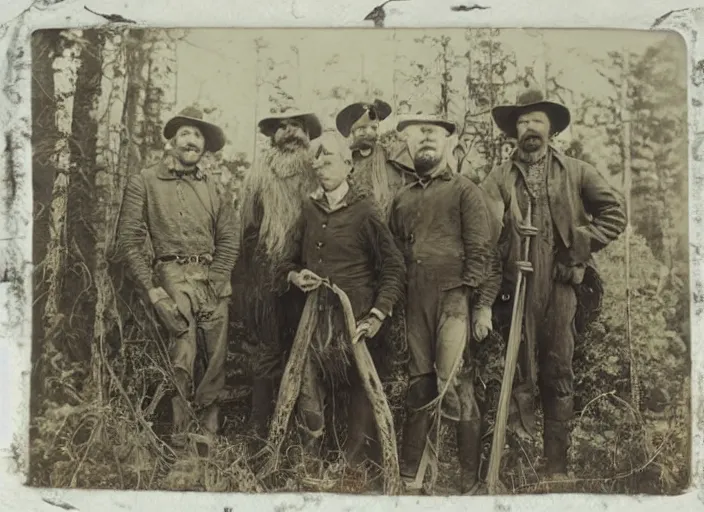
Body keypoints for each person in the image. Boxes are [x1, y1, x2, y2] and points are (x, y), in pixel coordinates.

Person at [481, 88, 627, 478]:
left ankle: (557, 468)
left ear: (551, 129)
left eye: (537, 121)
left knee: (557, 369)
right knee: (518, 370)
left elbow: (614, 214)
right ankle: (520, 465)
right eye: (523, 122)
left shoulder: (577, 171)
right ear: (514, 131)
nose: (529, 128)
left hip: (562, 287)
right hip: (517, 288)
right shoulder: (498, 177)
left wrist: (576, 248)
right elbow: (480, 231)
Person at [282, 130, 406, 470]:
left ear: (348, 164)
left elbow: (394, 266)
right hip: (314, 321)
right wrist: (295, 275)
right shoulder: (308, 208)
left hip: (356, 322)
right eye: (316, 160)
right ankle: (309, 464)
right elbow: (287, 260)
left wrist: (379, 314)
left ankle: (354, 468)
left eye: (329, 158)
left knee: (360, 392)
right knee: (306, 385)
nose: (320, 166)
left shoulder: (365, 211)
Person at [117, 106, 239, 445]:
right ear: (172, 140)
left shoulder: (214, 187)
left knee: (216, 357)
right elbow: (128, 239)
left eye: (198, 136)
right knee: (182, 351)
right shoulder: (145, 180)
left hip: (212, 276)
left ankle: (209, 437)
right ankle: (180, 437)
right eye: (185, 133)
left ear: (204, 147)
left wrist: (218, 277)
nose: (192, 140)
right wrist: (153, 291)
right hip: (171, 273)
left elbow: (229, 235)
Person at [389, 115, 495, 493]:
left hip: (454, 299)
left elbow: (482, 251)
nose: (426, 138)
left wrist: (475, 302)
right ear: (408, 144)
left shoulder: (465, 190)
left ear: (449, 143)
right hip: (414, 300)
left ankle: (466, 482)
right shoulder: (401, 198)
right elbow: (393, 255)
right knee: (420, 384)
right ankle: (410, 477)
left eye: (435, 133)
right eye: (418, 134)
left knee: (454, 382)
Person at [237, 110, 323, 444]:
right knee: (267, 356)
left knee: (306, 354)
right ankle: (261, 436)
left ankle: (304, 439)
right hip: (267, 281)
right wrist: (251, 285)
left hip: (308, 278)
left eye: (296, 127)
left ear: (307, 135)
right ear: (272, 137)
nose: (289, 133)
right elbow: (246, 231)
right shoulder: (258, 175)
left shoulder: (316, 173)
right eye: (282, 128)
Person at [335, 99, 414, 218]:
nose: (369, 133)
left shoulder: (391, 156)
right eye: (362, 129)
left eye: (373, 128)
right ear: (352, 132)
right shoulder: (345, 165)